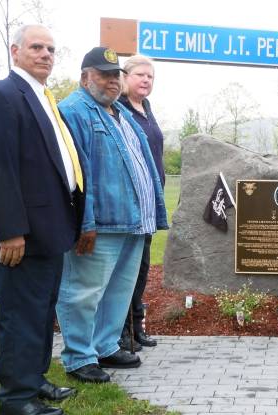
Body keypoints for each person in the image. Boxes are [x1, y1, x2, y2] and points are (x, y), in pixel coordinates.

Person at [55, 47, 168, 383]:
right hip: (100, 224)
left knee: (118, 292)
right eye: (103, 75)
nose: (112, 81)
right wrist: (84, 222)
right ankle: (78, 356)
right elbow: (76, 174)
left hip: (133, 223)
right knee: (84, 292)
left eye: (114, 75)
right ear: (85, 76)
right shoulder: (74, 111)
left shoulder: (121, 114)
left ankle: (104, 345)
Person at [0, 24, 81, 415]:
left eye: (50, 49)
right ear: (15, 51)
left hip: (51, 230)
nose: (45, 54)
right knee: (21, 315)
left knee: (42, 312)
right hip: (20, 236)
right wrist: (9, 229)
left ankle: (35, 378)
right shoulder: (3, 96)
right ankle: (16, 396)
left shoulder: (44, 97)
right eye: (36, 47)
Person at [118, 55, 165, 351]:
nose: (146, 80)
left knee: (141, 269)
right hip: (129, 204)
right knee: (124, 272)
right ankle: (121, 333)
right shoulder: (119, 110)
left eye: (150, 76)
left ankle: (137, 328)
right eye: (140, 75)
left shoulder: (146, 109)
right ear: (125, 77)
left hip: (150, 204)